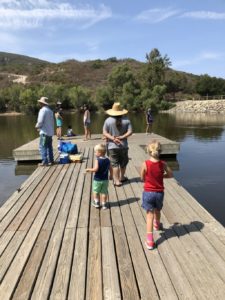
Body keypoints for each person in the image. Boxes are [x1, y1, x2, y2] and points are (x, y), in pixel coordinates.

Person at [140, 140, 173, 250]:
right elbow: (170, 174)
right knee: (157, 210)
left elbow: (142, 177)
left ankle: (150, 241)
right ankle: (157, 225)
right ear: (160, 151)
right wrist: (162, 177)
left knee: (149, 216)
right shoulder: (163, 164)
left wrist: (147, 179)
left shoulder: (145, 164)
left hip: (148, 192)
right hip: (159, 193)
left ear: (148, 151)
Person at [103, 102, 132, 186]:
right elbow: (130, 132)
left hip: (112, 146)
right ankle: (122, 177)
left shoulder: (108, 120)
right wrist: (122, 137)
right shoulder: (127, 120)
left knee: (114, 163)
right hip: (123, 146)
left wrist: (113, 138)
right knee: (123, 163)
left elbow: (104, 132)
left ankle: (116, 181)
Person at [85, 144, 113, 210]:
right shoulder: (108, 159)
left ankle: (96, 202)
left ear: (99, 153)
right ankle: (104, 204)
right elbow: (111, 168)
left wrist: (89, 169)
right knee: (104, 192)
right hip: (105, 180)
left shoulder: (97, 160)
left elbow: (95, 169)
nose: (94, 153)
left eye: (95, 152)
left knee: (96, 191)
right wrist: (111, 175)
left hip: (97, 179)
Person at [35, 97, 54, 166]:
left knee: (42, 146)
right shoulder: (50, 111)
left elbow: (40, 121)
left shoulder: (42, 110)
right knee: (49, 147)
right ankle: (51, 160)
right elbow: (51, 122)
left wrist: (37, 126)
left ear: (41, 103)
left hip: (44, 133)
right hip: (50, 133)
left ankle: (45, 162)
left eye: (40, 102)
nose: (39, 103)